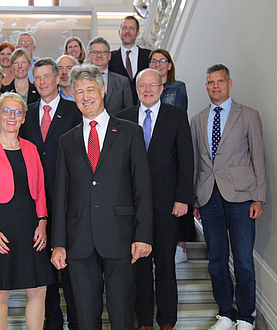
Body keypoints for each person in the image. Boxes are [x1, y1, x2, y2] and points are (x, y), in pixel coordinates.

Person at [50, 64, 153, 330]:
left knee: (121, 315)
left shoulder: (130, 132)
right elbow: (60, 194)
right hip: (78, 240)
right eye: (79, 91)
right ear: (73, 95)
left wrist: (143, 235)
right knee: (85, 317)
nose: (85, 96)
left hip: (121, 237)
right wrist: (58, 243)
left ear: (103, 90)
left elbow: (142, 188)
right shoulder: (67, 140)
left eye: (90, 89)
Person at [191, 64, 266, 330]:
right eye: (210, 82)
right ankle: (226, 313)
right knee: (216, 261)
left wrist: (259, 197)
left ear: (229, 83)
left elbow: (258, 157)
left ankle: (246, 316)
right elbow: (197, 163)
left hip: (243, 197)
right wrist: (196, 199)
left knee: (244, 261)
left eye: (220, 81)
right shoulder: (198, 119)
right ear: (207, 85)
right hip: (209, 197)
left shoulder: (248, 115)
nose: (215, 86)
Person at [117, 68, 194, 330]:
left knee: (164, 265)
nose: (147, 90)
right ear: (136, 89)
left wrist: (183, 198)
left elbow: (186, 161)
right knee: (138, 265)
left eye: (153, 85)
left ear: (162, 88)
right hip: (133, 207)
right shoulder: (124, 118)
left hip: (166, 205)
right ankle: (144, 321)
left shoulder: (177, 116)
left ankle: (167, 320)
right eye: (142, 85)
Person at [0, 92, 54, 330]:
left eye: (17, 112)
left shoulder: (31, 149)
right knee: (0, 292)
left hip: (30, 224)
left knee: (39, 289)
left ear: (23, 119)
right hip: (0, 224)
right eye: (6, 111)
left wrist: (42, 222)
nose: (12, 116)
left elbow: (39, 190)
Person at [20, 57, 81, 330]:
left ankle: (78, 321)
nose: (43, 82)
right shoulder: (26, 112)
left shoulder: (74, 110)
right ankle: (52, 323)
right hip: (34, 203)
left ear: (58, 78)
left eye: (47, 76)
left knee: (71, 267)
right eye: (38, 77)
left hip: (69, 200)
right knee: (43, 269)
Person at [148, 48, 192, 264]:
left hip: (170, 157)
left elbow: (179, 119)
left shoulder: (178, 88)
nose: (157, 64)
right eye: (153, 61)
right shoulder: (144, 95)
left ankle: (180, 245)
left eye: (161, 61)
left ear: (169, 64)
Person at [109, 16, 150, 103]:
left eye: (131, 28)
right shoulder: (110, 58)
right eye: (124, 28)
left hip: (144, 106)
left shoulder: (148, 56)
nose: (127, 31)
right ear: (119, 32)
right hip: (119, 111)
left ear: (138, 33)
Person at [87, 36, 133, 115]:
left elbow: (128, 111)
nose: (99, 55)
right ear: (89, 57)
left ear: (109, 56)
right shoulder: (82, 82)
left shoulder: (123, 82)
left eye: (103, 52)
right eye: (95, 52)